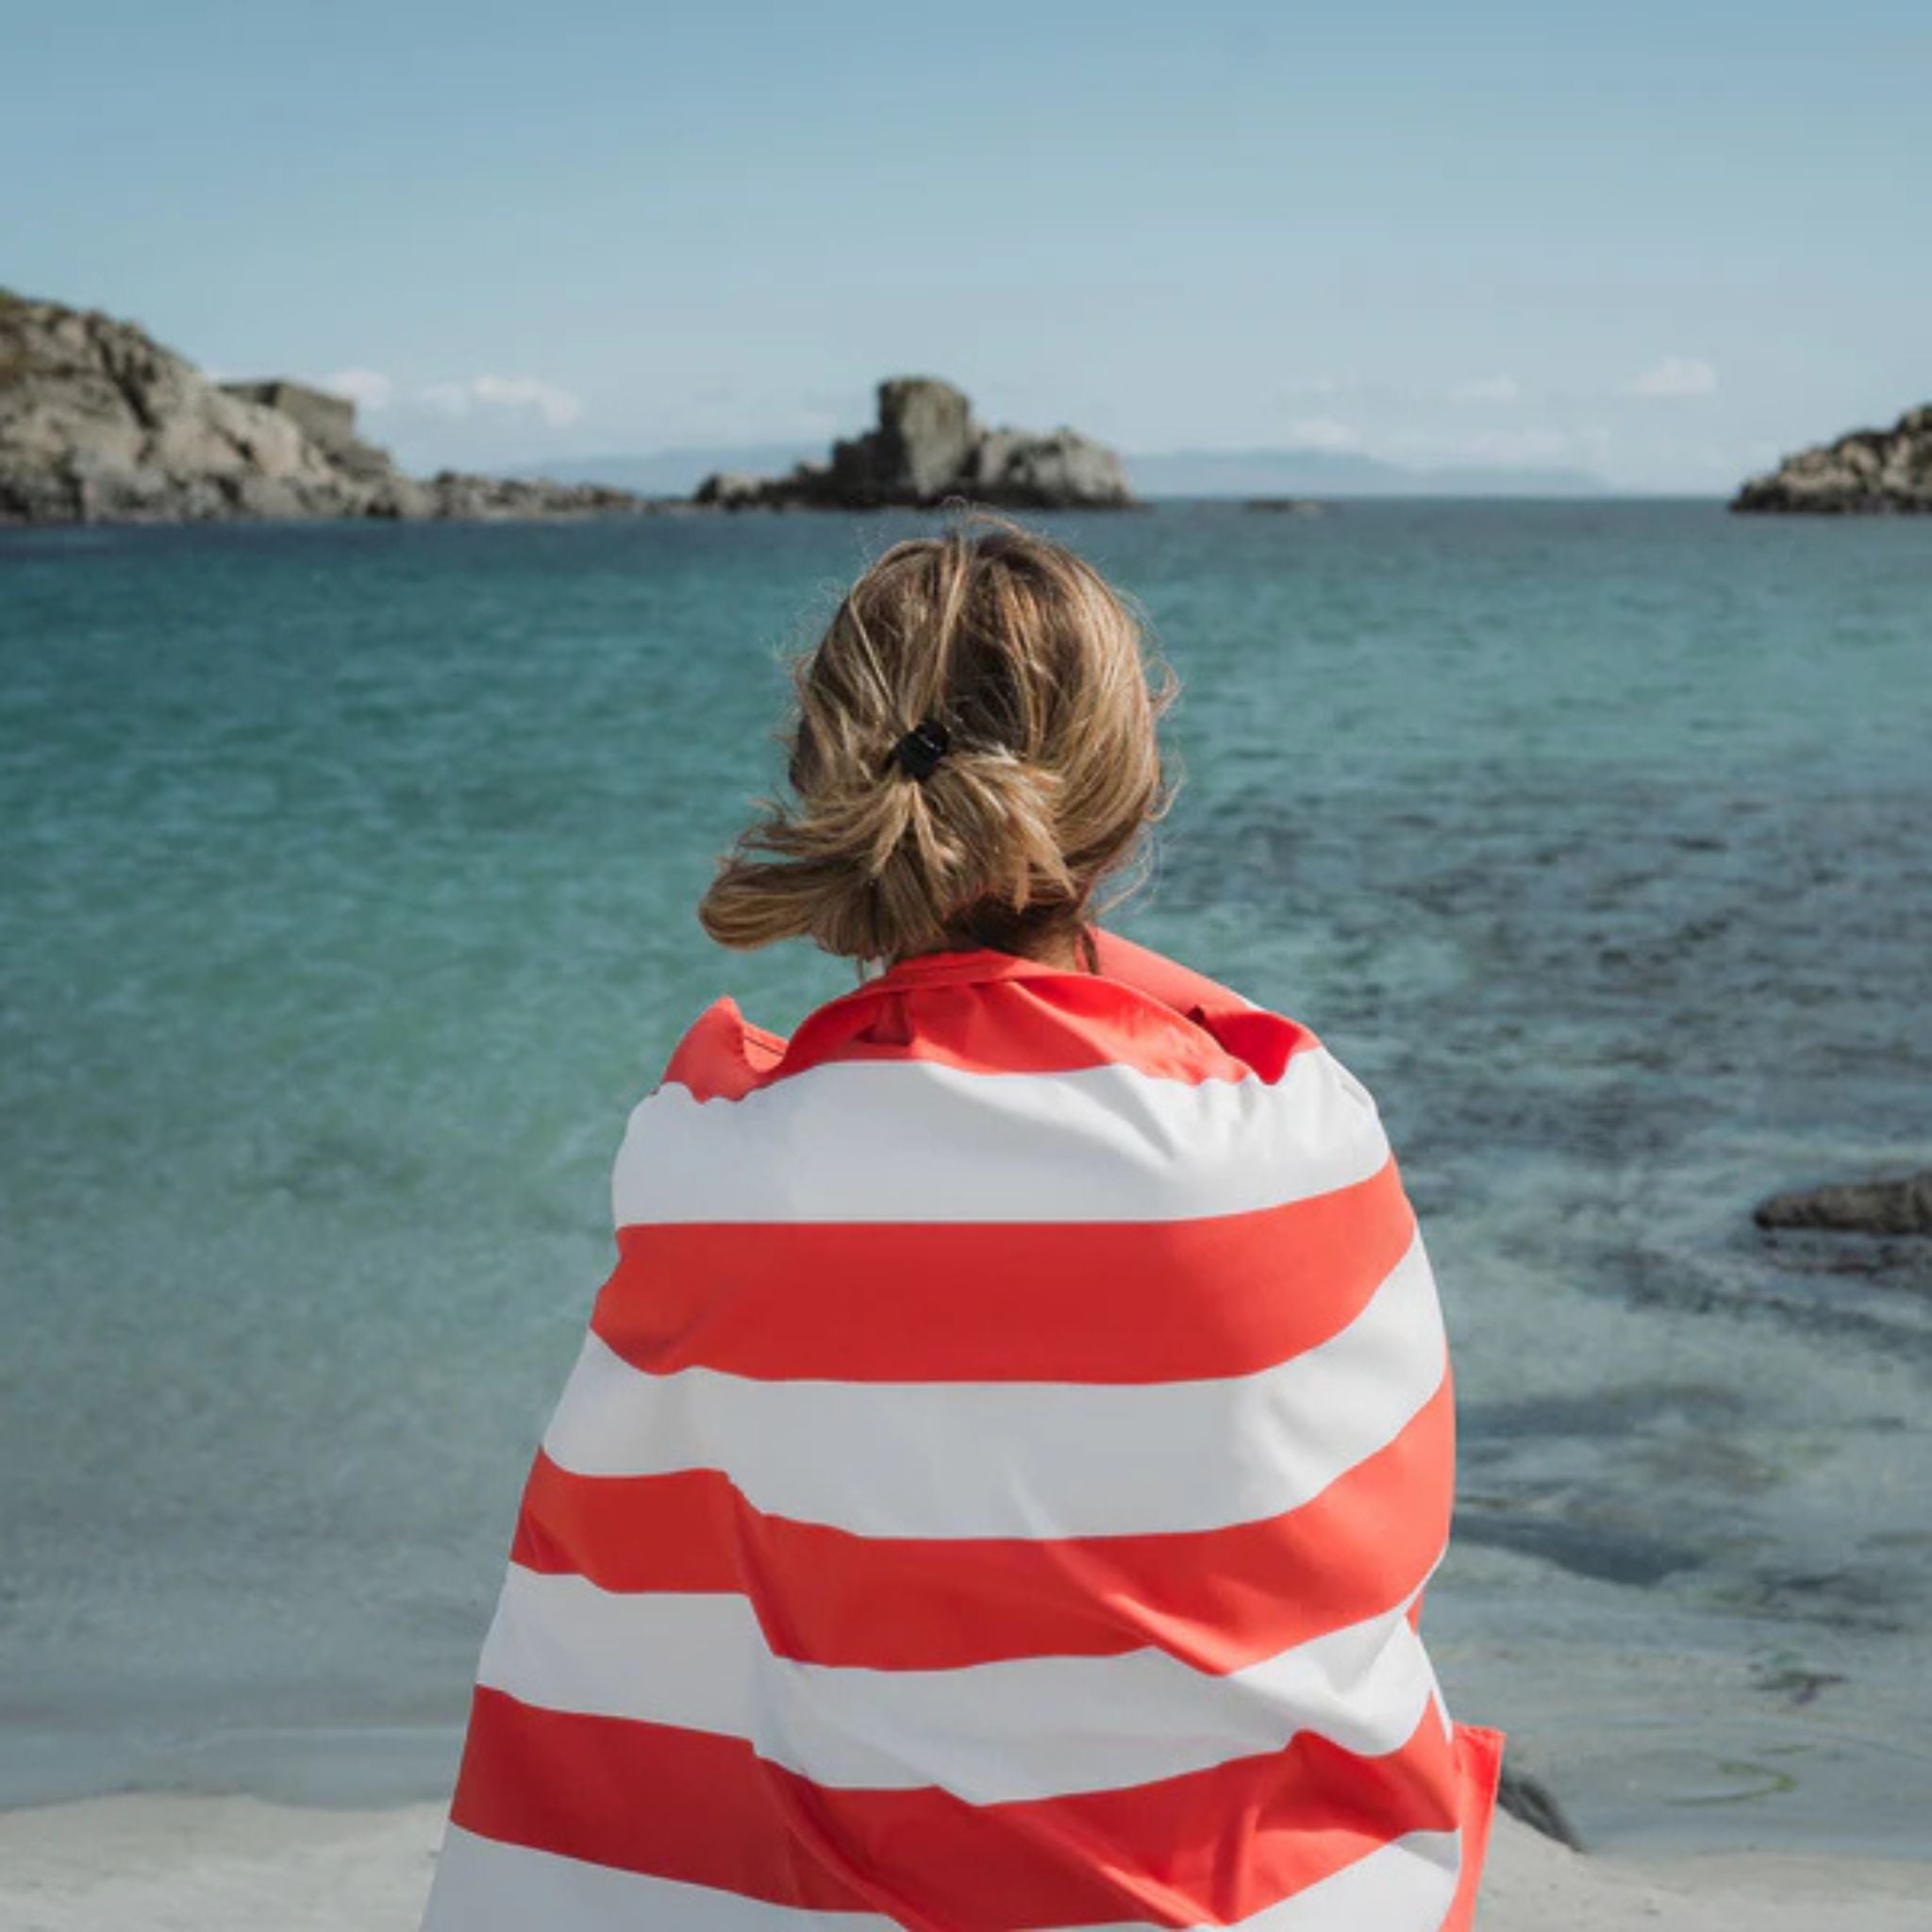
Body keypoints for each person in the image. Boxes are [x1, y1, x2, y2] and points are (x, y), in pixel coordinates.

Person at [423, 509, 1503, 1931]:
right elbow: (1384, 1542)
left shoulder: (712, 1174)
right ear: (1119, 802)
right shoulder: (1292, 1146)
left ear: (834, 774)